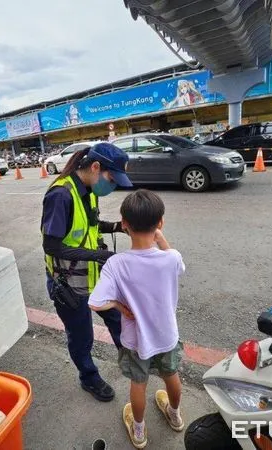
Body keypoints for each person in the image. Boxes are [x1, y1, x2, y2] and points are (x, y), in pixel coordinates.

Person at [88, 190, 185, 449]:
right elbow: (178, 263)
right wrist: (161, 240)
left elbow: (95, 302)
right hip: (166, 336)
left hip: (136, 341)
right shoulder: (171, 258)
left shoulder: (117, 264)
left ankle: (139, 431)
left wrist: (120, 306)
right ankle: (174, 415)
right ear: (160, 223)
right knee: (171, 375)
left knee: (138, 385)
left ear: (125, 223)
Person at [41, 142, 133, 402]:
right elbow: (52, 246)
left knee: (117, 318)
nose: (112, 185)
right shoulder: (60, 195)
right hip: (69, 283)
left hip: (94, 275)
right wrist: (100, 255)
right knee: (82, 337)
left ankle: (130, 360)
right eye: (111, 178)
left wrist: (117, 227)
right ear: (95, 167)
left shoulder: (90, 190)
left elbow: (90, 225)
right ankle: (89, 377)